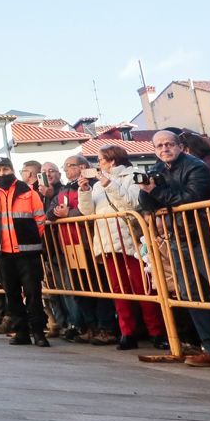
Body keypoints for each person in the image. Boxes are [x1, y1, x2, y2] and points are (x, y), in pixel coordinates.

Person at [139, 130, 210, 369]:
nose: (164, 149)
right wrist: (146, 190)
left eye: (168, 144)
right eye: (159, 146)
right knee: (191, 295)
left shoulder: (196, 167)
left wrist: (157, 192)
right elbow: (147, 203)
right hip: (177, 237)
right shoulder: (156, 170)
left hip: (205, 235)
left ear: (180, 146)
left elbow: (192, 198)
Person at [78, 145, 166, 350]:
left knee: (143, 288)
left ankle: (156, 331)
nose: (97, 164)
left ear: (112, 160)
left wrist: (108, 183)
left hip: (130, 238)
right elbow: (88, 211)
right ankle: (127, 332)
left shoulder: (134, 174)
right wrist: (84, 191)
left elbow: (132, 202)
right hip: (107, 240)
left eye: (100, 160)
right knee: (119, 290)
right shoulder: (98, 184)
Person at [48, 155, 118, 344]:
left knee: (99, 287)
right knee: (80, 289)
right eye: (64, 168)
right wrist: (58, 213)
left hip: (90, 243)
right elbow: (51, 212)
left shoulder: (96, 184)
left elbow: (88, 210)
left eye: (69, 166)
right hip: (69, 246)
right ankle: (90, 327)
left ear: (82, 167)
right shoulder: (63, 191)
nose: (66, 171)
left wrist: (67, 213)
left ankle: (106, 327)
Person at [0, 157, 50, 346]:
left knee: (33, 293)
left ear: (11, 170)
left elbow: (39, 217)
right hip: (2, 252)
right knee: (11, 294)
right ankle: (21, 332)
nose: (2, 173)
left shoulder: (27, 190)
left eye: (5, 169)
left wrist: (31, 238)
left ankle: (38, 332)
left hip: (27, 251)